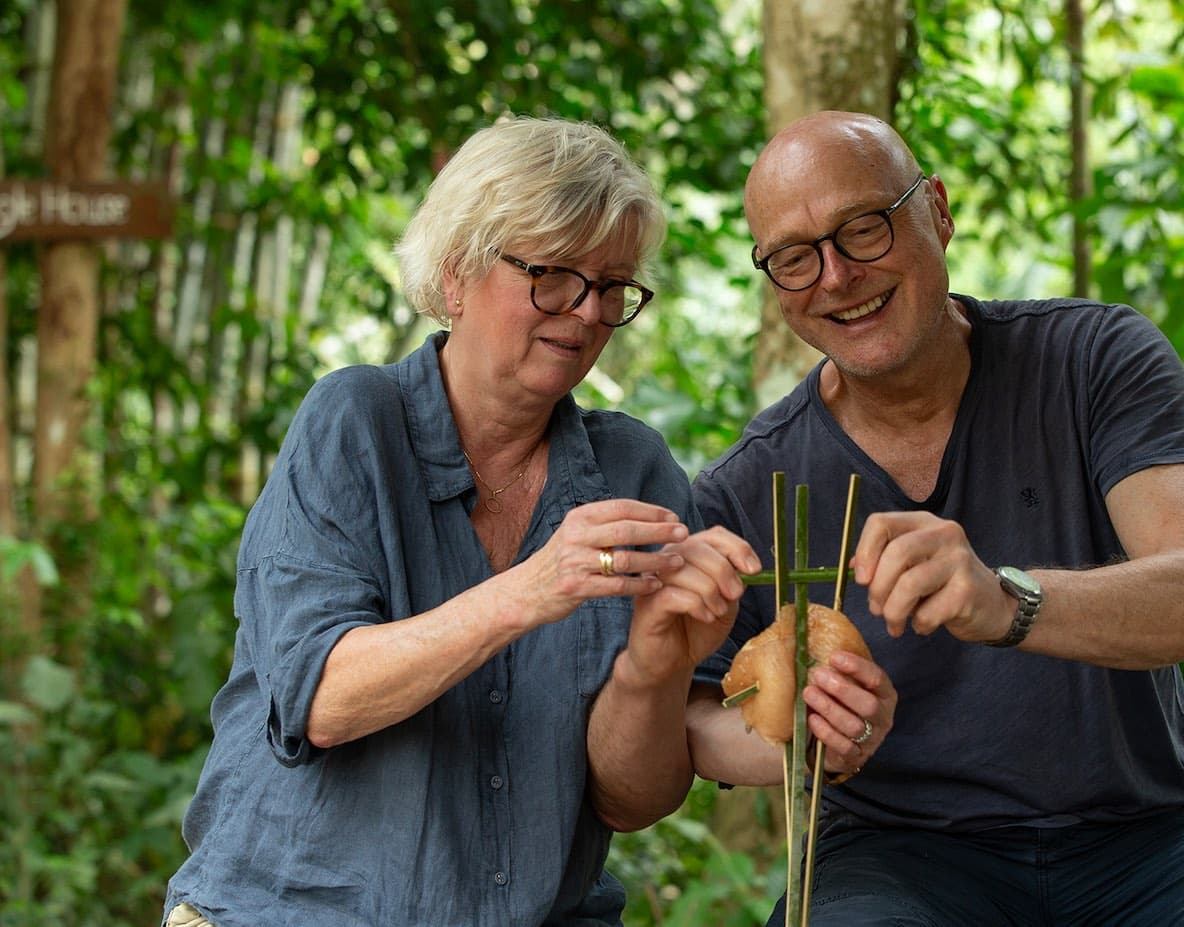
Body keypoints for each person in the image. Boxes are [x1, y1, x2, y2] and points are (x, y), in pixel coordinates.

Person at [686, 110, 1184, 926]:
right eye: (794, 258)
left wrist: (1004, 600)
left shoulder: (1092, 358)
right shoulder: (751, 480)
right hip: (895, 859)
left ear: (937, 212)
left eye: (864, 229)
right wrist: (797, 735)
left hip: (1150, 839)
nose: (836, 276)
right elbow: (701, 715)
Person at [162, 116, 771, 927]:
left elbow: (632, 802)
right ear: (457, 274)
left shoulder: (634, 472)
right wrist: (533, 587)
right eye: (554, 275)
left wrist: (654, 664)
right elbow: (322, 699)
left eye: (613, 285)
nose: (588, 312)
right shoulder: (357, 420)